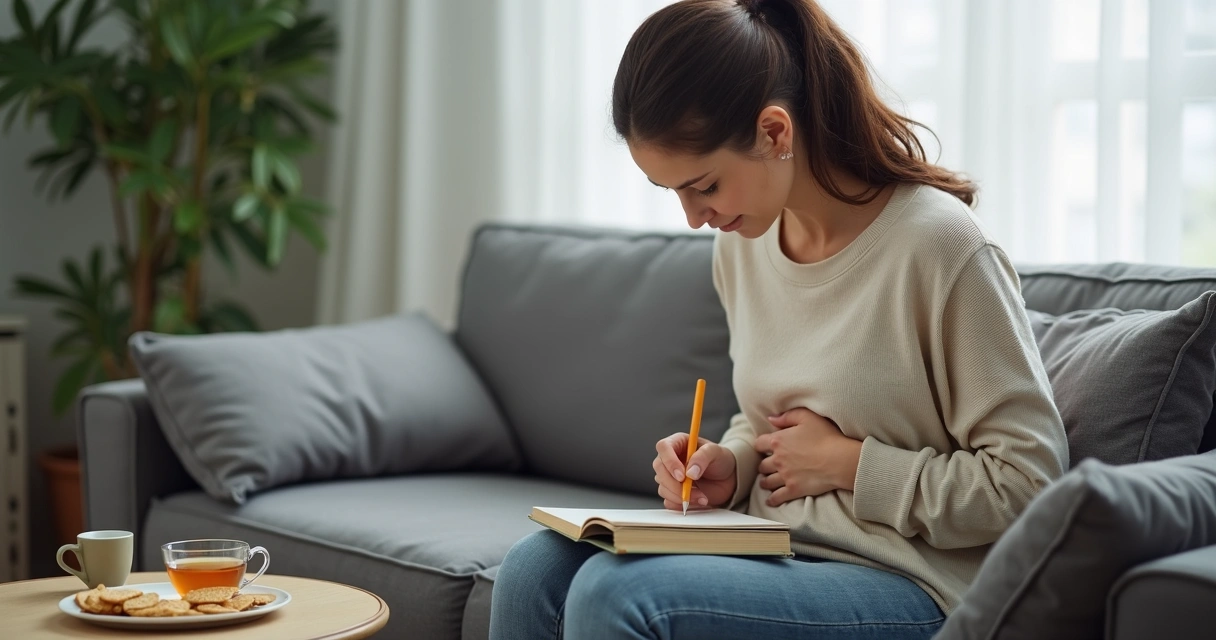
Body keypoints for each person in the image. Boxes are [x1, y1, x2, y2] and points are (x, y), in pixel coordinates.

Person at [488, 0, 1069, 637]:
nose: (692, 216)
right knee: (534, 567)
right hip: (773, 548)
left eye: (704, 186)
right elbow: (766, 420)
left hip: (913, 584)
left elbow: (1031, 485)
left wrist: (850, 463)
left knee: (616, 594)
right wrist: (731, 466)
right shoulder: (742, 246)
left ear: (774, 133)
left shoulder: (941, 249)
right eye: (674, 192)